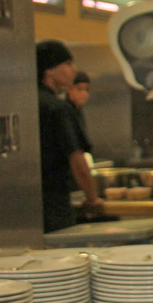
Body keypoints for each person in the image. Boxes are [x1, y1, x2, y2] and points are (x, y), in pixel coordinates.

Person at [36, 40, 100, 232]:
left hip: (30, 205)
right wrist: (92, 198)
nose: (74, 70)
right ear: (50, 70)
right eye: (68, 64)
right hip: (54, 203)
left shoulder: (28, 102)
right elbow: (76, 159)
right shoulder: (58, 108)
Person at [65, 69, 94, 158]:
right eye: (79, 89)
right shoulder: (65, 112)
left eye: (87, 89)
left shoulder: (78, 111)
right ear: (69, 89)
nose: (84, 93)